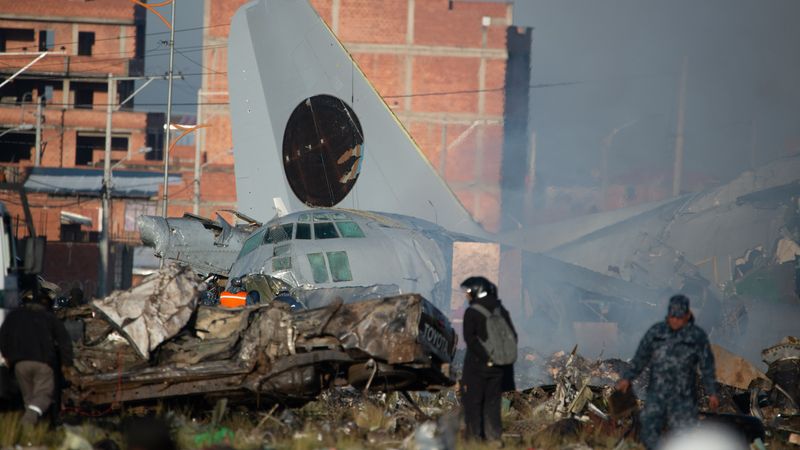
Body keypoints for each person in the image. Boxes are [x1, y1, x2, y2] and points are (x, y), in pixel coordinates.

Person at [616, 294, 719, 450]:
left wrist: (711, 392)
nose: (675, 321)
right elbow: (640, 358)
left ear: (687, 316)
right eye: (673, 316)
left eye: (679, 317)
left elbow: (707, 366)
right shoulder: (656, 332)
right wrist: (627, 379)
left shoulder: (697, 336)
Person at [0, 290, 74, 424]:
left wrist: (8, 357)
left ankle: (32, 432)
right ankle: (28, 421)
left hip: (19, 365)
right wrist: (67, 363)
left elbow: (3, 336)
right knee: (44, 396)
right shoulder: (48, 317)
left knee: (29, 399)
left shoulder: (14, 316)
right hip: (42, 363)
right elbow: (64, 341)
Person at [460, 276, 517, 443]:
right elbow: (512, 336)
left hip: (478, 367)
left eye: (469, 292)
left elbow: (470, 340)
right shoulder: (501, 310)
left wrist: (486, 357)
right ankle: (495, 438)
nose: (467, 295)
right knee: (493, 403)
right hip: (499, 367)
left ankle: (476, 439)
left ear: (478, 291)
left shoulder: (472, 312)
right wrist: (498, 358)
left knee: (474, 402)